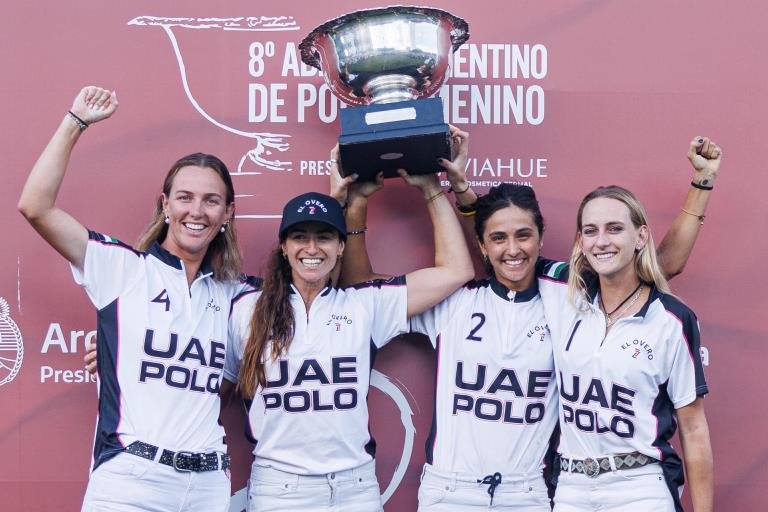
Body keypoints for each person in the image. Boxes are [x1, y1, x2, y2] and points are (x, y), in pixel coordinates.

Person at [339, 129, 721, 511]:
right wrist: (364, 205)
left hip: (531, 494)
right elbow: (363, 295)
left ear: (541, 239)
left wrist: (701, 184)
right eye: (499, 239)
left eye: (524, 235)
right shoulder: (453, 301)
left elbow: (660, 265)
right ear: (483, 247)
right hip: (450, 492)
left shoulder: (568, 292)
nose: (513, 249)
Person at [18, 86, 250, 512]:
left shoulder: (237, 295)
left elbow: (318, 286)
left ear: (228, 214)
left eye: (211, 200)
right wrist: (76, 121)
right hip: (130, 482)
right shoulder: (123, 268)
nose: (196, 211)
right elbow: (35, 206)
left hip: (206, 486)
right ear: (165, 205)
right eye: (184, 197)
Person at [221, 161, 474, 511]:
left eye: (324, 237)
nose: (312, 248)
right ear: (283, 246)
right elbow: (215, 389)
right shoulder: (245, 308)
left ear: (342, 246)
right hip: (278, 488)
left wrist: (431, 189)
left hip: (353, 488)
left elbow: (456, 271)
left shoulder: (364, 305)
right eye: (299, 237)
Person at [537, 185, 713, 512]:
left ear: (641, 237)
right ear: (580, 241)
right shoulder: (563, 295)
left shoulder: (673, 319)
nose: (601, 241)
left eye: (615, 228)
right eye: (591, 231)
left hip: (640, 487)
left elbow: (693, 427)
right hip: (571, 488)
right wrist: (462, 194)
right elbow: (506, 252)